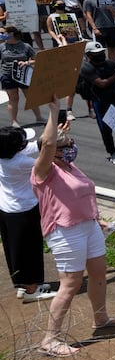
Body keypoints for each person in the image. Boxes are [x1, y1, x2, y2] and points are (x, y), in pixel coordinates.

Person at [32, 105, 115, 356]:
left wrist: (98, 220)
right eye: (66, 146)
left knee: (98, 273)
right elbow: (49, 145)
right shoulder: (44, 171)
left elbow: (84, 196)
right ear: (51, 152)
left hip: (88, 226)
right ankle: (50, 339)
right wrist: (53, 113)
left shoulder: (70, 167)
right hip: (64, 231)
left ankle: (101, 318)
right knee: (71, 283)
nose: (71, 148)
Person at [0, 125, 50, 303]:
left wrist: (55, 129)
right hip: (24, 210)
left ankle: (23, 285)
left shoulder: (5, 155)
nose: (26, 143)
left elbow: (38, 144)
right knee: (30, 249)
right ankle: (31, 290)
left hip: (6, 211)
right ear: (17, 147)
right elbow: (46, 160)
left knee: (14, 250)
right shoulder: (21, 163)